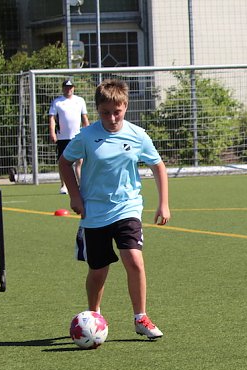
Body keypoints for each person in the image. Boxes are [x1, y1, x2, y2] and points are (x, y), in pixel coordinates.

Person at [58, 78, 170, 340]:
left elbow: (158, 166)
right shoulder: (86, 136)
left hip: (127, 207)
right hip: (94, 212)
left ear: (125, 106)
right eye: (105, 112)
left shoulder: (137, 135)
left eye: (116, 111)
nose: (111, 117)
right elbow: (65, 163)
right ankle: (93, 316)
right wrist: (75, 196)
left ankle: (140, 317)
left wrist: (163, 203)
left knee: (133, 259)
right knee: (98, 270)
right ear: (98, 110)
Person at [49, 78, 89, 194]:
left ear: (73, 88)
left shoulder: (80, 101)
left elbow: (84, 118)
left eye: (70, 87)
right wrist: (52, 132)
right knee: (63, 161)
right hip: (62, 137)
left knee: (80, 160)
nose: (68, 89)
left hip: (77, 136)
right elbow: (52, 118)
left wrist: (88, 132)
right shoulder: (57, 102)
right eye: (66, 87)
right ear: (63, 88)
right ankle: (64, 185)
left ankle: (81, 184)